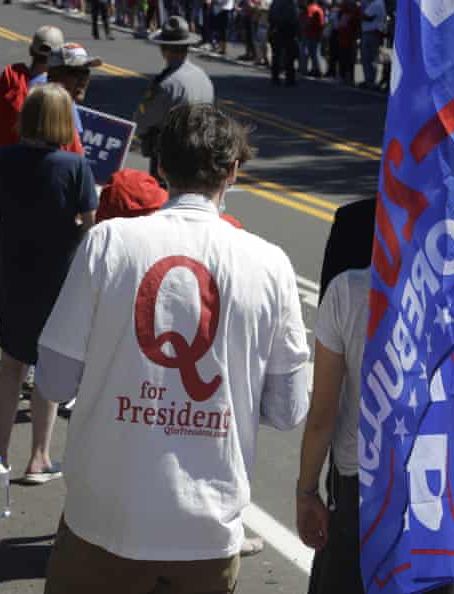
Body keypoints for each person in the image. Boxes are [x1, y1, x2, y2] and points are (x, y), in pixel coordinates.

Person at [37, 103, 309, 592]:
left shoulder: (108, 242)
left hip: (102, 519)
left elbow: (55, 380)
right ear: (232, 171)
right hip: (206, 530)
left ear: (160, 166)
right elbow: (288, 409)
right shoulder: (270, 263)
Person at [297, 266, 454, 594]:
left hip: (369, 473)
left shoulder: (348, 291)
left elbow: (323, 414)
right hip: (449, 475)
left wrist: (306, 491)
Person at [0, 84, 98, 485]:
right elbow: (91, 226)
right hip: (58, 275)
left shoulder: (3, 159)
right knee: (48, 365)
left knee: (12, 363)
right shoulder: (74, 167)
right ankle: (39, 458)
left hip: (13, 270)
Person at [0, 24, 64, 362]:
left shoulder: (12, 81)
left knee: (1, 266)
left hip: (6, 175)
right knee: (41, 274)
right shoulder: (54, 92)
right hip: (44, 183)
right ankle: (30, 348)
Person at [134, 16, 214, 178]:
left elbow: (145, 119)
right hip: (199, 149)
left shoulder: (167, 84)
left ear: (165, 49)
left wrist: (139, 130)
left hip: (171, 153)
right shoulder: (203, 76)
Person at [46, 42, 102, 156]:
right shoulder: (47, 115)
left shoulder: (69, 108)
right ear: (54, 75)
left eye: (86, 72)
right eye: (75, 72)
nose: (83, 79)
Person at [269, 0, 300, 85]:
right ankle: (289, 79)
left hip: (277, 29)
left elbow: (271, 16)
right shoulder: (291, 3)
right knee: (289, 56)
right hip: (288, 31)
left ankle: (275, 77)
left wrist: (272, 28)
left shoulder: (276, 2)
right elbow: (295, 18)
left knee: (277, 55)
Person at [359, 0, 384, 89]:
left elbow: (366, 16)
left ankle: (370, 81)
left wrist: (361, 11)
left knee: (369, 58)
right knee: (368, 58)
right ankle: (369, 80)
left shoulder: (376, 3)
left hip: (371, 33)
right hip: (371, 33)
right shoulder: (375, 3)